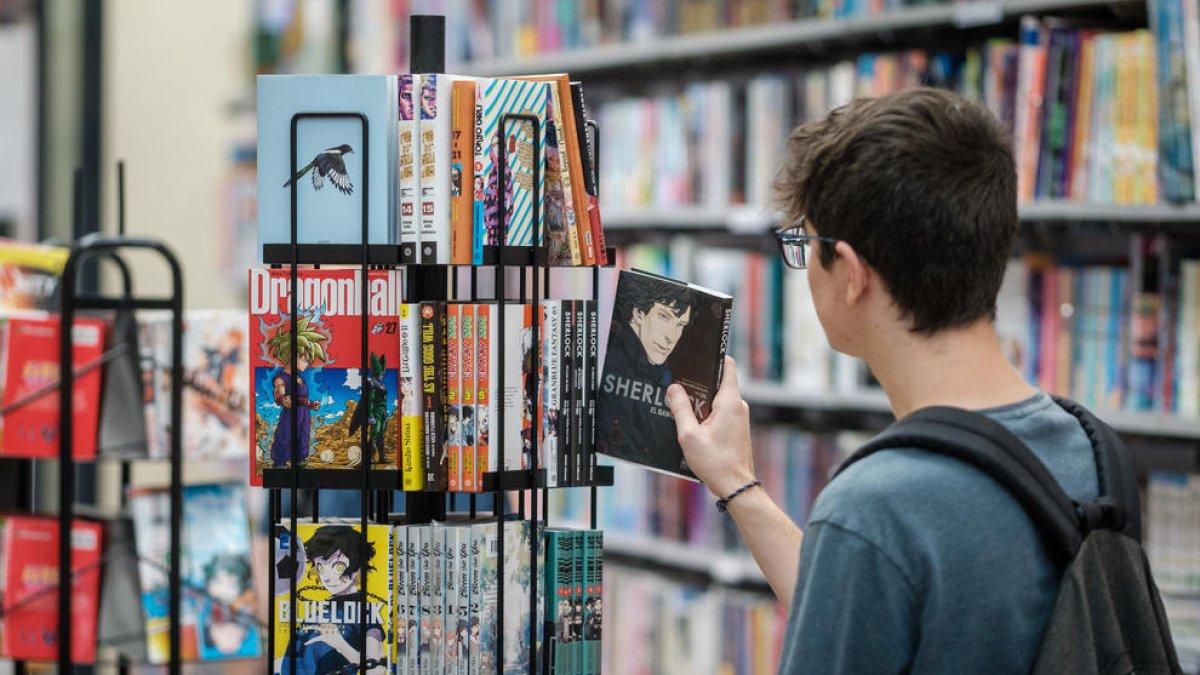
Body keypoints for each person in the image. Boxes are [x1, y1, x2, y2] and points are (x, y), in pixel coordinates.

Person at [667, 87, 1100, 673]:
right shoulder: (1088, 447)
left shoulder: (876, 507)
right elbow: (878, 611)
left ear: (849, 272)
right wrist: (737, 483)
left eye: (803, 244)